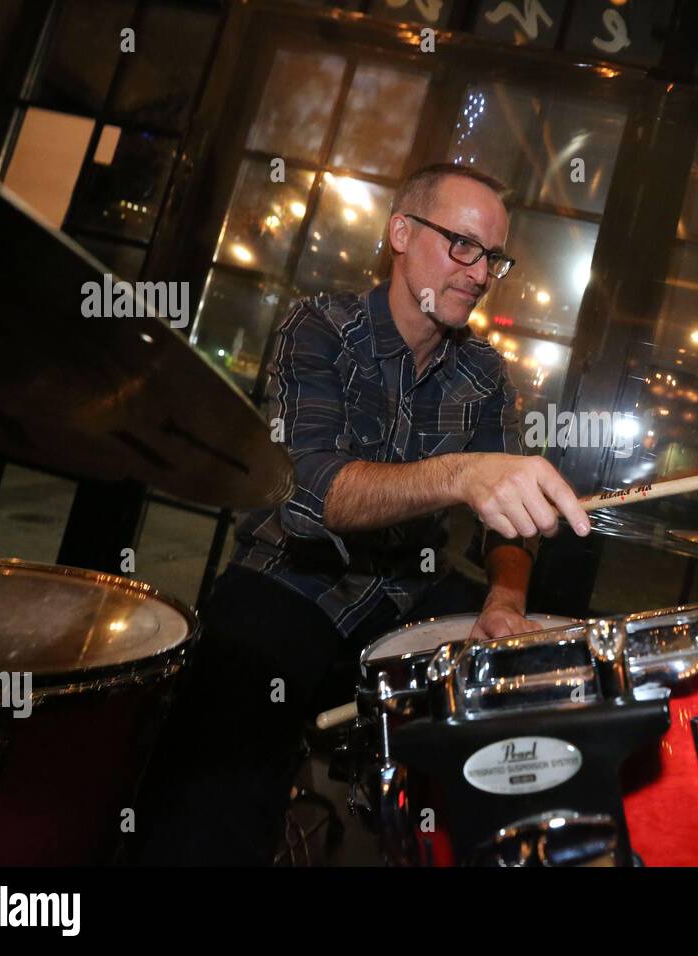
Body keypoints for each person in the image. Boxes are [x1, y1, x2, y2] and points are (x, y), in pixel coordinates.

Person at [129, 162, 590, 865]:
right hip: (292, 576)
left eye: (493, 256)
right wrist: (462, 474)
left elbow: (509, 522)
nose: (479, 272)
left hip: (409, 588)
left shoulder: (485, 374)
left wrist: (505, 596)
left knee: (543, 681)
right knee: (214, 780)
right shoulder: (317, 328)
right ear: (400, 232)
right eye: (461, 245)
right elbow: (318, 494)